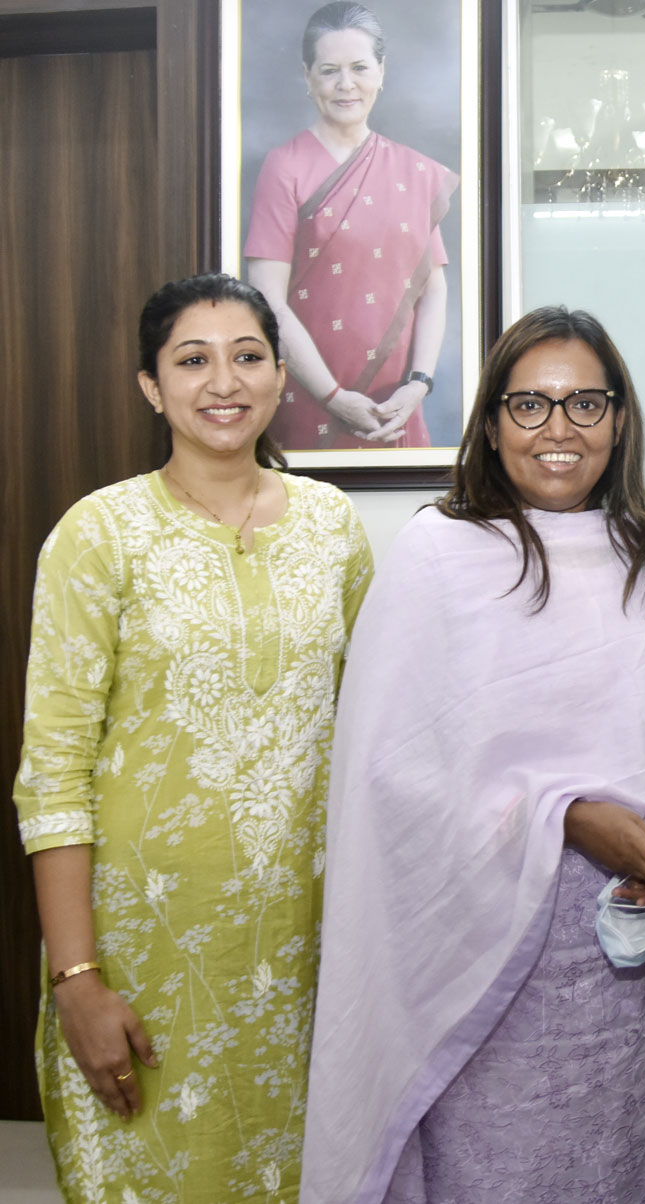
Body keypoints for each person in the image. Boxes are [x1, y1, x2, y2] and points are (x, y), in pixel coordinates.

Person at [300, 306, 645, 1203]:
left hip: (640, 947)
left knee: (630, 1162)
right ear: (493, 421)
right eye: (531, 406)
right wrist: (569, 817)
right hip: (485, 964)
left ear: (620, 421)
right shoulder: (439, 555)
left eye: (586, 403)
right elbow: (393, 778)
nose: (559, 430)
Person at [13, 273, 373, 1201]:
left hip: (308, 952)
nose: (225, 381)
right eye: (193, 359)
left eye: (248, 355)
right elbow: (52, 776)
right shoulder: (99, 535)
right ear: (150, 385)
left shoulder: (335, 527)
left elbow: (375, 738)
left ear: (280, 373)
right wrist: (77, 977)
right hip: (142, 949)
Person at [245, 1, 458, 450]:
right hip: (309, 398)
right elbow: (268, 298)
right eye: (329, 70)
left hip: (396, 406)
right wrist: (334, 397)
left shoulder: (412, 171)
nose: (346, 85)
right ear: (307, 77)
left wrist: (418, 384)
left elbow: (433, 289)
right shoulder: (285, 168)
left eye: (360, 67)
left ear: (381, 71)